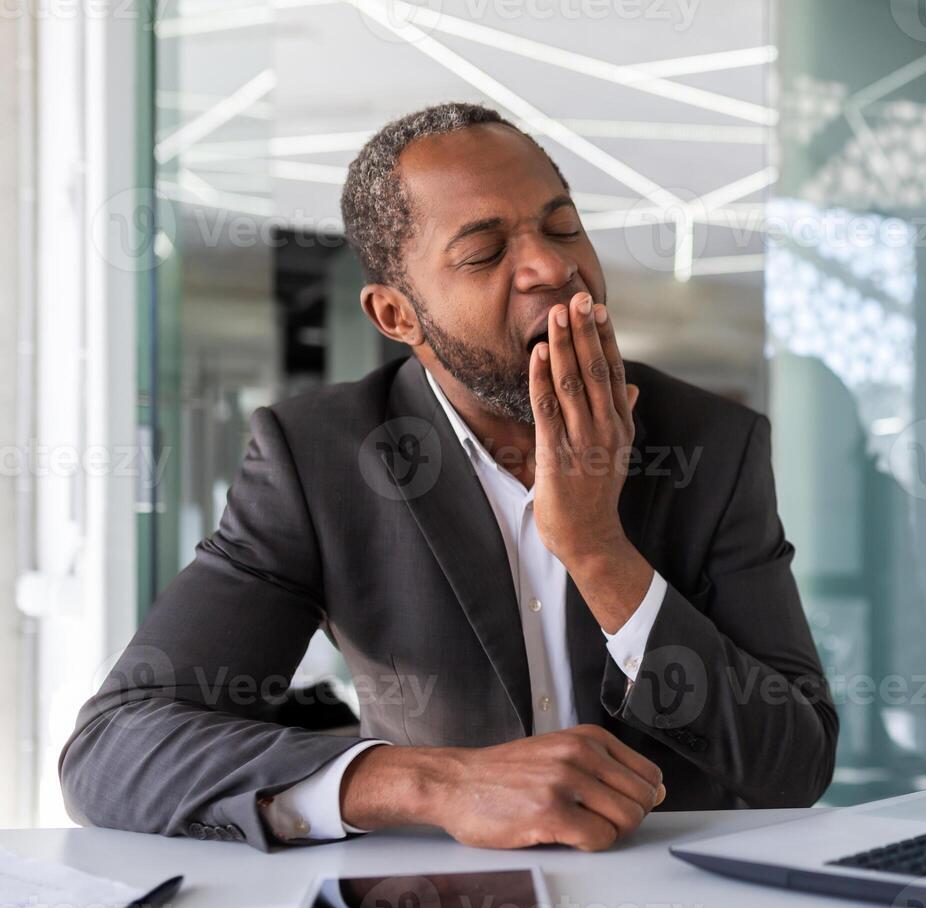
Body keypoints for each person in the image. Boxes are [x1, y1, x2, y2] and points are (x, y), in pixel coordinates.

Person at [60, 102, 837, 852]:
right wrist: (434, 784)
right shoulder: (319, 458)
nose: (552, 266)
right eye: (485, 252)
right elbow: (114, 752)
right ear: (397, 316)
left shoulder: (712, 444)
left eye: (563, 226)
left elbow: (795, 766)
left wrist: (599, 550)